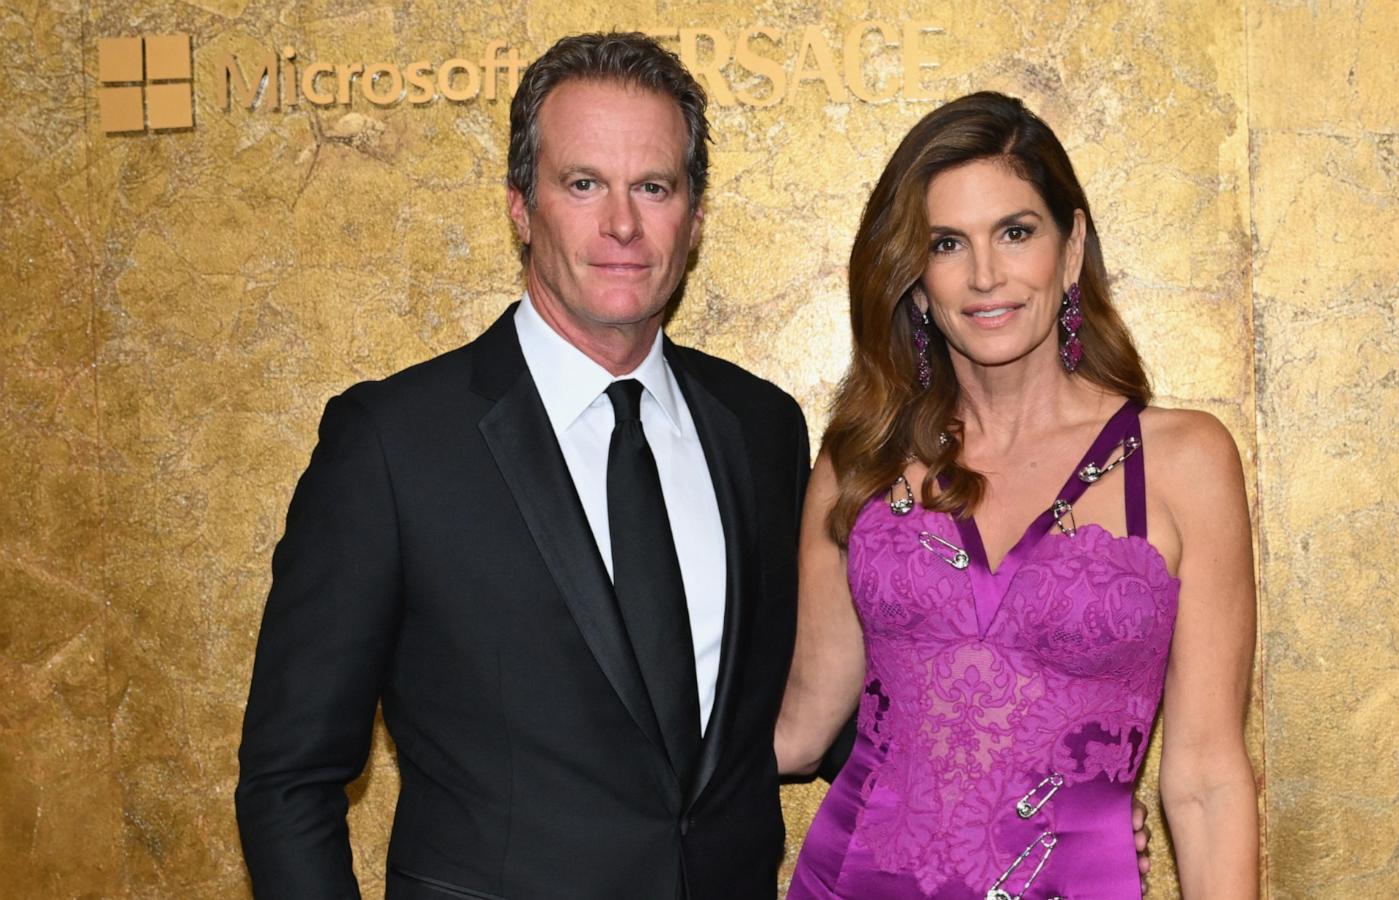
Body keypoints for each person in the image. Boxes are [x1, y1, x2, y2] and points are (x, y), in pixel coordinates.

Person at [234, 33, 810, 899]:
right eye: (583, 185)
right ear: (519, 205)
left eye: (653, 186)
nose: (623, 223)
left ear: (693, 217)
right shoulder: (392, 445)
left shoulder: (762, 427)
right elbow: (288, 779)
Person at [776, 92, 1259, 898]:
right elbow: (799, 728)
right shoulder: (860, 463)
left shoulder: (1183, 462)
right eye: (946, 244)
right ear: (916, 280)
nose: (986, 274)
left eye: (1016, 232)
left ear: (1070, 254)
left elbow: (1208, 779)